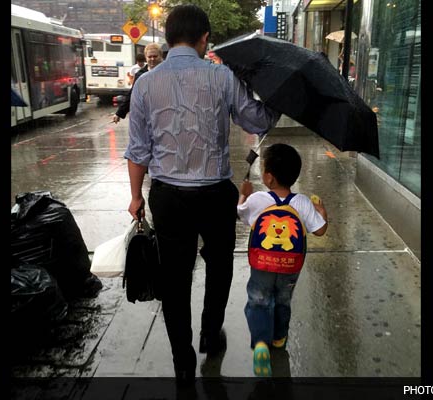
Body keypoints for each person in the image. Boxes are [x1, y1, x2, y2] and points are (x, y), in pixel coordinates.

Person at [124, 4, 281, 385]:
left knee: (174, 277)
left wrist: (135, 197)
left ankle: (182, 358)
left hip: (167, 196)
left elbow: (138, 150)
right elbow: (257, 120)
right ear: (204, 38)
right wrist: (272, 96)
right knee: (219, 265)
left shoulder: (144, 83)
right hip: (214, 194)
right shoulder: (224, 77)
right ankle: (211, 332)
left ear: (167, 37)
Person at [237, 143, 328, 377]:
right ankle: (278, 339)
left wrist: (243, 195)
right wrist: (322, 212)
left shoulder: (258, 200)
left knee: (259, 300)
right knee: (283, 301)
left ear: (268, 177)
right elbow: (319, 231)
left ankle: (260, 344)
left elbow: (241, 213)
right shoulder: (303, 203)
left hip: (262, 265)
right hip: (289, 268)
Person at [112, 43, 163, 124]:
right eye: (149, 57)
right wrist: (119, 113)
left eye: (155, 56)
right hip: (146, 117)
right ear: (146, 58)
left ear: (160, 56)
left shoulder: (168, 72)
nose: (152, 59)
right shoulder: (140, 75)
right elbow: (132, 94)